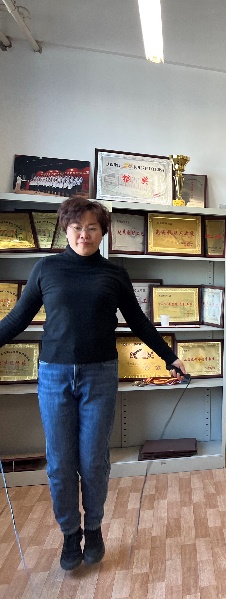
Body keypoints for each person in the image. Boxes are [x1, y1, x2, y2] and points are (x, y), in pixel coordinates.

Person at [0, 196, 187, 571]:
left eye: (91, 228)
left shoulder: (114, 274)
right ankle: (70, 534)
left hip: (99, 376)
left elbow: (138, 322)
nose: (83, 234)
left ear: (102, 233)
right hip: (54, 376)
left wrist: (170, 356)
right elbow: (17, 319)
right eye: (76, 227)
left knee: (94, 461)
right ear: (65, 229)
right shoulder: (46, 269)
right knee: (59, 463)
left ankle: (95, 528)